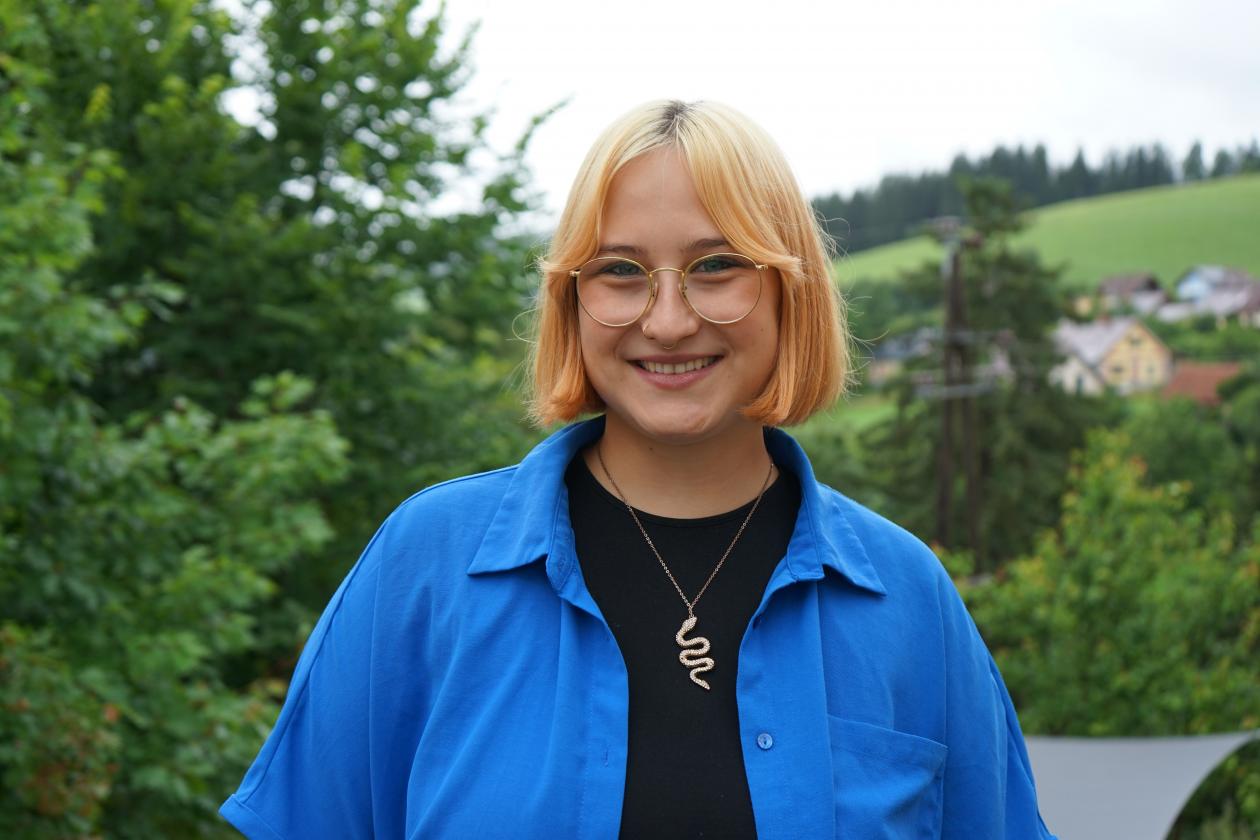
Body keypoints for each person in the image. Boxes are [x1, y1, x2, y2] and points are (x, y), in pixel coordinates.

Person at [221, 100, 1057, 839]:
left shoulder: (906, 597)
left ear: (789, 291)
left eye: (717, 266)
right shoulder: (428, 565)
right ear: (571, 300)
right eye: (620, 272)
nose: (667, 320)